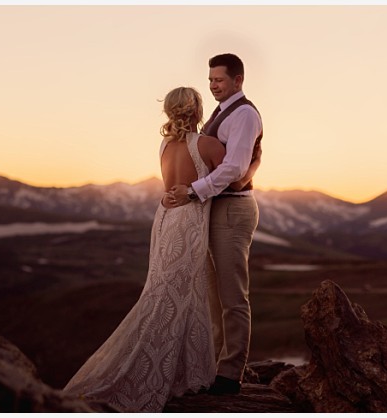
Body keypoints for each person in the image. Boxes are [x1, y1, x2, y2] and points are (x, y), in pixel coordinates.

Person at [62, 87, 255, 412]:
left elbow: (170, 186)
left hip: (166, 219)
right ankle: (160, 372)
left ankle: (174, 366)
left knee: (165, 292)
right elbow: (235, 179)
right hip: (189, 223)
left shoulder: (165, 145)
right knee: (179, 296)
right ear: (197, 111)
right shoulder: (206, 144)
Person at [168, 53, 263, 396]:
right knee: (214, 296)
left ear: (238, 80)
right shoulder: (221, 114)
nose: (213, 86)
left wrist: (193, 191)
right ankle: (216, 364)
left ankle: (231, 372)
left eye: (219, 80)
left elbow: (234, 168)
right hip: (215, 208)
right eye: (210, 81)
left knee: (233, 295)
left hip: (232, 210)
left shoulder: (245, 114)